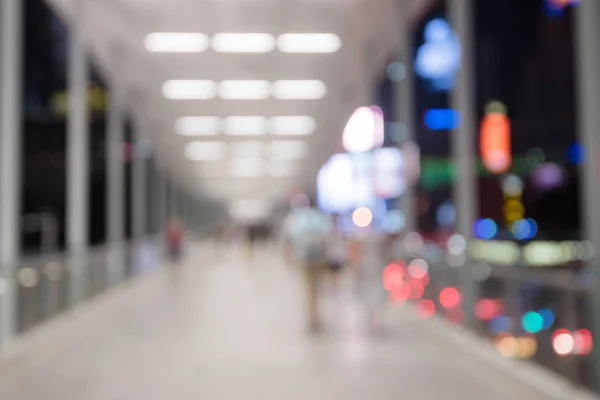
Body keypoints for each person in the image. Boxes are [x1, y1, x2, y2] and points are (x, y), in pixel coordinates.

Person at [283, 201, 332, 332]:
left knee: (310, 289)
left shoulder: (297, 219)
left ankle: (312, 316)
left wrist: (290, 258)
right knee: (319, 288)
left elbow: (291, 240)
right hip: (320, 258)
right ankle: (316, 314)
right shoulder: (321, 219)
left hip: (305, 259)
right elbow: (328, 238)